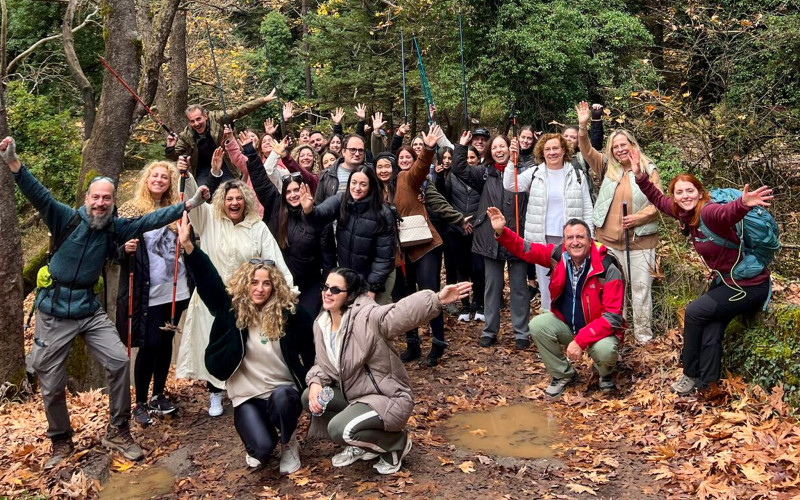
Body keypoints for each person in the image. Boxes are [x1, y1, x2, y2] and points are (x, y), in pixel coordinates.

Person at [1, 137, 208, 469]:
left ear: (113, 202)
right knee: (51, 383)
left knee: (117, 361)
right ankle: (60, 439)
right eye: (95, 197)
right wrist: (14, 164)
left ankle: (119, 428)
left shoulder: (115, 226)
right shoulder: (65, 218)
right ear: (87, 199)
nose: (100, 203)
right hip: (54, 310)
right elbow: (37, 193)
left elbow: (151, 220)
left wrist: (190, 204)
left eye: (106, 199)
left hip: (88, 307)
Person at [178, 215, 315, 474]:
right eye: (254, 282)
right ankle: (263, 438)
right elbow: (209, 283)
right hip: (247, 397)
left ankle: (289, 442)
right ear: (245, 283)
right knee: (261, 450)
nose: (260, 288)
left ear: (275, 286)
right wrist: (189, 247)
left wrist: (314, 386)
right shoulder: (231, 311)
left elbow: (311, 353)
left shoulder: (291, 314)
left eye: (266, 283)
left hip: (281, 392)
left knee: (284, 398)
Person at [303, 268, 471, 474]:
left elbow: (398, 313)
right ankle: (360, 443)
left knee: (339, 429)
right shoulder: (321, 323)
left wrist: (436, 299)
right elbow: (323, 364)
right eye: (326, 287)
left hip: (386, 396)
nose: (328, 293)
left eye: (336, 289)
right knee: (308, 397)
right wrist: (315, 383)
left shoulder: (367, 317)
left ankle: (395, 444)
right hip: (355, 395)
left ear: (351, 295)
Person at [633, 162, 773, 394]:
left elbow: (725, 214)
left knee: (694, 312)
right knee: (711, 327)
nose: (685, 196)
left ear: (700, 193)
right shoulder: (683, 212)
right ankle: (706, 383)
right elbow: (658, 200)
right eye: (679, 192)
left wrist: (743, 204)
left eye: (690, 191)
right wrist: (641, 178)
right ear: (675, 197)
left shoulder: (707, 212)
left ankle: (689, 374)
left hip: (748, 286)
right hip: (727, 282)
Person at [176, 153, 294, 417]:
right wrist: (185, 175)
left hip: (247, 299)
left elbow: (274, 258)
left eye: (239, 198)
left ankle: (240, 389)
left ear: (246, 201)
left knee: (241, 345)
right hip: (213, 295)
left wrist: (289, 289)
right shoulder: (209, 219)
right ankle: (214, 393)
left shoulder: (256, 227)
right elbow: (192, 201)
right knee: (214, 343)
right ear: (222, 201)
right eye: (229, 199)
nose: (234, 202)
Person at [489, 207, 625, 397]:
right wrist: (502, 232)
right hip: (567, 325)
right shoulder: (558, 256)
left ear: (590, 240)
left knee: (606, 350)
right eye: (570, 238)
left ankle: (605, 375)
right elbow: (526, 249)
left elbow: (612, 318)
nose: (575, 242)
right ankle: (564, 374)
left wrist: (580, 340)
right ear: (564, 241)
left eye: (580, 237)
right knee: (538, 325)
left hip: (597, 331)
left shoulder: (607, 267)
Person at [576, 101, 663, 343]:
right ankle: (617, 335)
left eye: (623, 145)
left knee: (641, 290)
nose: (619, 150)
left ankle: (643, 337)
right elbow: (586, 151)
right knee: (614, 291)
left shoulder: (647, 169)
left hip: (639, 241)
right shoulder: (607, 167)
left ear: (632, 145)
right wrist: (583, 127)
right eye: (615, 147)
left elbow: (660, 203)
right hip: (608, 242)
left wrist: (638, 217)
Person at [115, 161, 190, 426]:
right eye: (154, 176)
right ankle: (141, 402)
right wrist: (126, 249)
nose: (159, 180)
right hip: (149, 290)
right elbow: (114, 248)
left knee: (166, 341)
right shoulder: (131, 210)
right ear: (146, 179)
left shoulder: (176, 210)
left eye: (165, 177)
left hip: (176, 288)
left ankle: (159, 394)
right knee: (149, 345)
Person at [452, 131, 530, 349]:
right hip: (490, 237)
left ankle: (521, 333)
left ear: (509, 148)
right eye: (494, 147)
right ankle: (490, 330)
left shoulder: (522, 172)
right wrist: (461, 146)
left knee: (519, 287)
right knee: (492, 287)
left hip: (516, 236)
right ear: (489, 151)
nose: (498, 150)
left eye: (502, 146)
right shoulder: (484, 174)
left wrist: (519, 156)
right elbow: (459, 169)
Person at [504, 133, 594, 314]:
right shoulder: (535, 173)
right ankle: (548, 318)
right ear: (542, 153)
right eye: (548, 149)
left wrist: (589, 237)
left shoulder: (576, 174)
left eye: (556, 148)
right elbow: (510, 185)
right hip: (542, 237)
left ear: (564, 150)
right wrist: (510, 160)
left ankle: (569, 320)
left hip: (570, 239)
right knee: (545, 284)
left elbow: (587, 207)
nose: (552, 152)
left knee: (570, 280)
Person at [244, 135, 334, 316]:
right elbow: (261, 182)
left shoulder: (317, 217)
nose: (293, 195)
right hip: (279, 282)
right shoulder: (276, 208)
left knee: (306, 327)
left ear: (305, 189)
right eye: (289, 191)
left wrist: (328, 287)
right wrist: (251, 154)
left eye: (297, 190)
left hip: (310, 284)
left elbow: (328, 258)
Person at [299, 167, 395, 298]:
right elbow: (321, 214)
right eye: (354, 182)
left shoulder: (383, 214)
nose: (357, 188)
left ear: (371, 187)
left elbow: (383, 257)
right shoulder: (342, 200)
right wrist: (309, 210)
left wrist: (372, 288)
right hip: (348, 277)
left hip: (375, 279)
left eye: (363, 184)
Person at [165, 89, 278, 187]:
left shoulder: (218, 118)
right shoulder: (187, 135)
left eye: (198, 119)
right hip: (203, 167)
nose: (196, 124)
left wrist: (263, 100)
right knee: (204, 192)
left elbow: (240, 110)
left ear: (205, 116)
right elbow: (174, 155)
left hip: (225, 162)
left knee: (232, 188)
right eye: (192, 121)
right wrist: (170, 147)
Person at [444, 145, 484, 322]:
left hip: (477, 229)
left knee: (478, 268)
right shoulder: (452, 177)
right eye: (465, 158)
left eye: (472, 158)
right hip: (457, 229)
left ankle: (479, 303)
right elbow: (445, 199)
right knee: (462, 269)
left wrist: (475, 223)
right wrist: (460, 222)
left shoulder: (482, 177)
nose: (469, 161)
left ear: (478, 159)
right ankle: (465, 305)